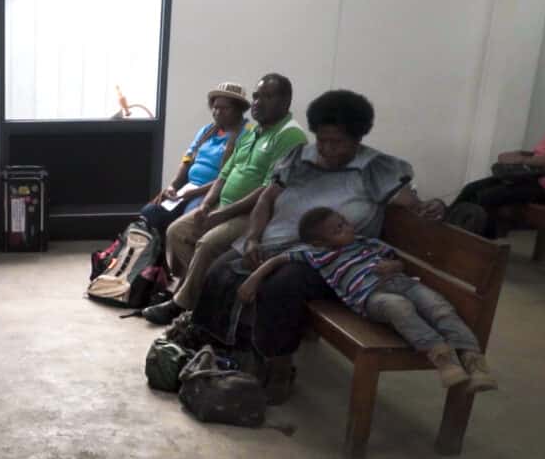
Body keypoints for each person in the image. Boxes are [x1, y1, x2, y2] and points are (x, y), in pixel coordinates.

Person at [197, 89, 445, 403]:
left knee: (281, 285)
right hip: (275, 242)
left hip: (334, 258)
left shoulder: (376, 168)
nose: (327, 149)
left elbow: (414, 205)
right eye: (322, 140)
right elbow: (266, 199)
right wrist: (253, 238)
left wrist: (433, 206)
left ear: (357, 137)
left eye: (337, 142)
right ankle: (231, 353)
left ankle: (279, 366)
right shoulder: (300, 157)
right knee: (220, 269)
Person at [239, 207, 497, 392]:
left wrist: (393, 266)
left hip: (403, 283)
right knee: (400, 308)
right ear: (320, 242)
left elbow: (397, 260)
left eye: (344, 222)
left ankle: (474, 361)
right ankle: (443, 359)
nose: (347, 227)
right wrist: (254, 280)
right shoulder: (315, 254)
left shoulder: (366, 242)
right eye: (337, 229)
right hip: (372, 297)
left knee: (440, 307)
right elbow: (279, 259)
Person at [142, 73, 307, 325]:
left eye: (267, 97)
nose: (257, 102)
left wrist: (222, 213)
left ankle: (181, 304)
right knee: (177, 232)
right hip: (222, 204)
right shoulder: (253, 132)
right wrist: (208, 203)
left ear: (286, 101)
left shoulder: (289, 135)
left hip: (255, 213)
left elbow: (267, 190)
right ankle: (201, 296)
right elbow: (226, 173)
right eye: (256, 96)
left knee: (207, 244)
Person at [449, 78, 545, 237]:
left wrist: (522, 160)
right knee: (471, 189)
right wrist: (521, 155)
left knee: (486, 198)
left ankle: (483, 247)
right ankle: (444, 229)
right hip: (535, 177)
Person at [140, 82, 251, 234]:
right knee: (151, 211)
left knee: (187, 222)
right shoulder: (207, 131)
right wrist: (173, 186)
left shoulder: (246, 135)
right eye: (215, 107)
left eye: (225, 108)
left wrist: (194, 193)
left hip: (212, 195)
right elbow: (187, 160)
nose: (217, 112)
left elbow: (229, 177)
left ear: (239, 110)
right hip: (188, 188)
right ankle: (154, 255)